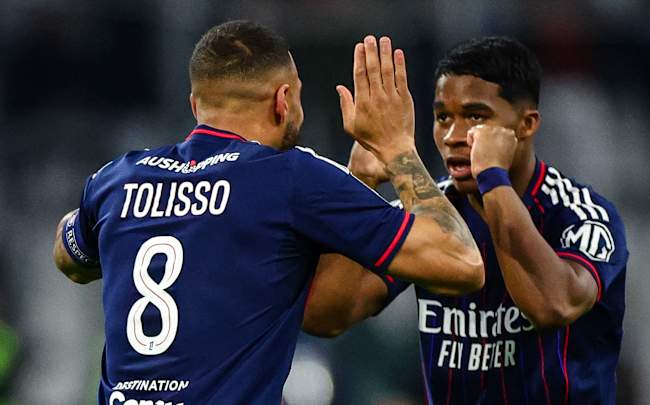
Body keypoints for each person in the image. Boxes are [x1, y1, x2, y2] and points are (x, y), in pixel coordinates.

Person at [52, 21, 484, 405]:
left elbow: (68, 255)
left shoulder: (117, 179)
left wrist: (360, 181)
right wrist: (398, 149)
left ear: (195, 105)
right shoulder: (290, 177)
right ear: (283, 100)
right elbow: (461, 263)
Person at [304, 37, 628, 405]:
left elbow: (553, 306)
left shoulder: (581, 215)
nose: (454, 136)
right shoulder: (431, 212)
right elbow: (327, 317)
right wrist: (358, 184)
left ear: (526, 125)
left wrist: (492, 179)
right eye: (443, 117)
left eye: (476, 117)